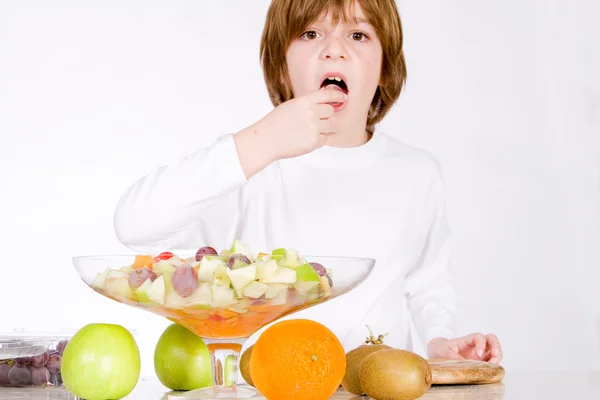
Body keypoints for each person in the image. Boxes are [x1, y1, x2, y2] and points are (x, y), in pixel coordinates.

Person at [113, 0, 503, 365]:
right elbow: (135, 226)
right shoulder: (248, 164)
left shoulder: (417, 173)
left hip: (377, 386)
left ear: (385, 66)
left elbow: (426, 282)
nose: (335, 51)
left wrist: (440, 341)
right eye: (311, 34)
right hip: (270, 385)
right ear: (282, 66)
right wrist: (261, 142)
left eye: (358, 35)